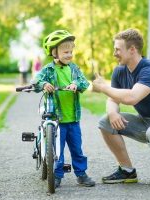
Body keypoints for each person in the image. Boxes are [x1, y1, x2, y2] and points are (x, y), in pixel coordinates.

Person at [92, 28, 150, 187]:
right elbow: (113, 99)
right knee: (105, 122)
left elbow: (131, 97)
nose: (114, 53)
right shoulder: (119, 71)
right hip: (145, 122)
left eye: (117, 50)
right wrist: (113, 113)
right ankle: (127, 170)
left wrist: (102, 87)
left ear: (132, 50)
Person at [33, 30, 95, 188]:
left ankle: (81, 174)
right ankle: (57, 175)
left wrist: (76, 84)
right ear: (54, 52)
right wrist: (44, 84)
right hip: (56, 119)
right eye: (65, 51)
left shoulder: (74, 69)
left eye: (71, 51)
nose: (69, 54)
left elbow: (84, 82)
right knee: (57, 151)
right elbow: (36, 80)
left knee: (77, 149)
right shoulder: (48, 70)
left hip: (73, 118)